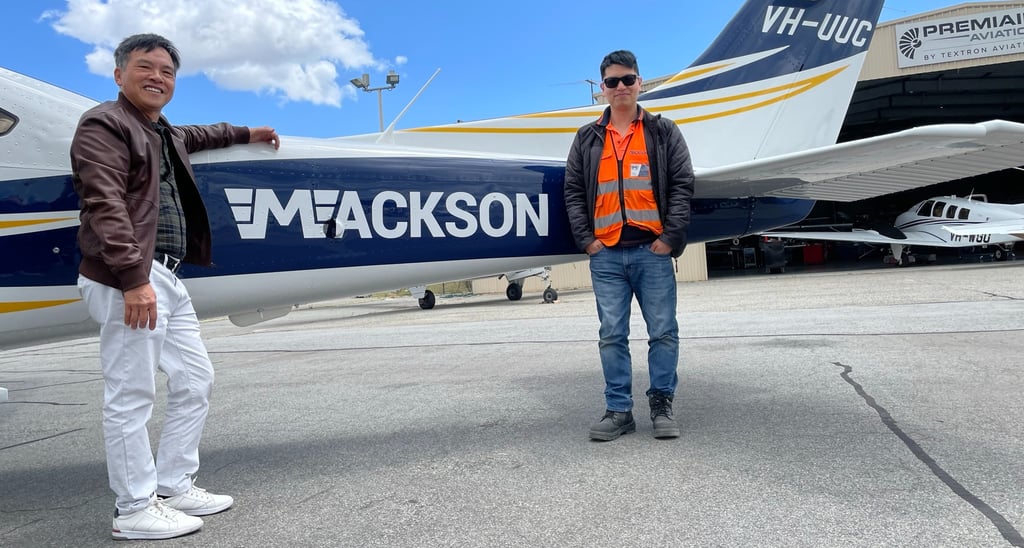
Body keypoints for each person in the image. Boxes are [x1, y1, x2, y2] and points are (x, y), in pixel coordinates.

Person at [70, 33, 280, 540]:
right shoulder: (104, 124)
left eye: (167, 71)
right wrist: (134, 279)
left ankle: (174, 482)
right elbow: (105, 203)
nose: (158, 77)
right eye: (146, 67)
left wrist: (249, 131)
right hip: (130, 277)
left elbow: (205, 133)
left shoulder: (163, 131)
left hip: (164, 274)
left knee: (195, 379)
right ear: (119, 74)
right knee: (131, 394)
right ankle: (135, 509)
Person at [563, 50, 695, 442]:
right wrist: (587, 242)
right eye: (612, 82)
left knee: (663, 332)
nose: (620, 87)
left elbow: (683, 185)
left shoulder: (663, 131)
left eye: (628, 79)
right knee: (611, 335)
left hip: (651, 252)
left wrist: (669, 239)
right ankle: (619, 410)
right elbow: (572, 191)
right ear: (602, 89)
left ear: (640, 83)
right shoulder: (587, 137)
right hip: (605, 255)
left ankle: (662, 405)